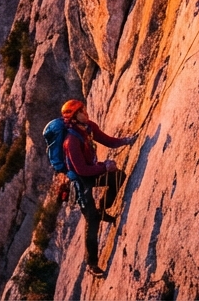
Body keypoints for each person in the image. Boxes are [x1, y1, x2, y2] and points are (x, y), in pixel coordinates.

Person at [61, 99, 134, 276]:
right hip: (80, 181)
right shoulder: (71, 141)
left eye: (84, 109)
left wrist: (125, 141)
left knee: (118, 177)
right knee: (91, 219)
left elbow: (106, 140)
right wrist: (104, 167)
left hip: (91, 171)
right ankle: (92, 264)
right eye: (81, 112)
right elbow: (81, 170)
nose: (86, 113)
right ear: (74, 118)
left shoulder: (89, 127)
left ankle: (103, 208)